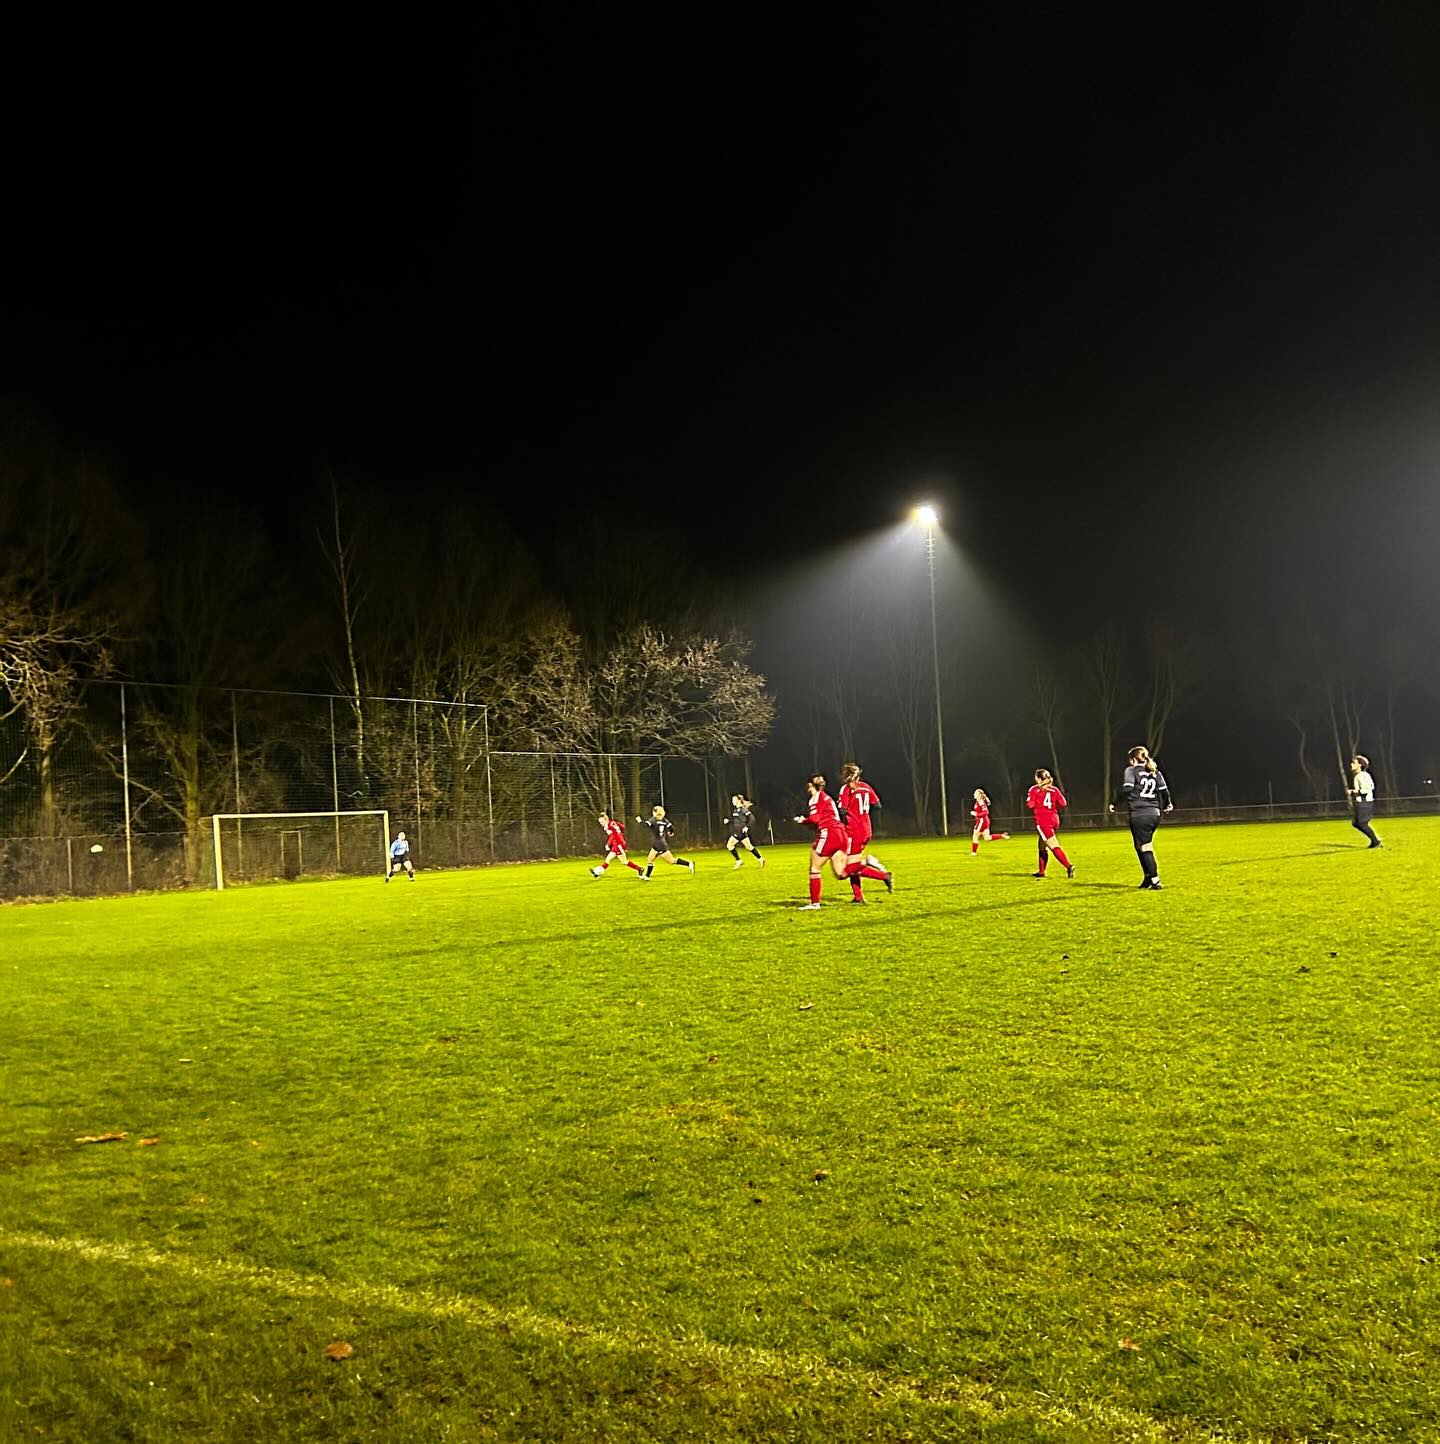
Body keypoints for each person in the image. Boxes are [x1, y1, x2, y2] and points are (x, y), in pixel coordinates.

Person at [796, 773, 890, 909]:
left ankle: (815, 904)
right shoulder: (828, 797)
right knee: (841, 873)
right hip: (843, 834)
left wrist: (803, 820)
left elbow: (816, 819)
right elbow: (877, 805)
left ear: (810, 785)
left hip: (831, 833)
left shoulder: (816, 797)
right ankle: (865, 865)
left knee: (814, 869)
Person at [1110, 745, 1173, 889]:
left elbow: (1127, 789)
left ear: (1133, 759)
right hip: (1154, 813)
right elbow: (1164, 791)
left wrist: (1114, 803)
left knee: (1145, 846)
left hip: (1139, 814)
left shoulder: (1131, 770)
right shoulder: (1155, 772)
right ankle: (1148, 878)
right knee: (1139, 846)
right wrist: (1168, 804)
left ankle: (1155, 880)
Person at [837, 762, 891, 902]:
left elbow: (842, 811)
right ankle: (858, 897)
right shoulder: (866, 786)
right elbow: (877, 805)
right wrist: (863, 812)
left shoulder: (846, 788)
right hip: (866, 829)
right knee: (853, 863)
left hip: (853, 831)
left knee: (848, 868)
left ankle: (883, 875)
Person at [1025, 769, 1074, 879]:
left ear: (1039, 779)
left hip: (1043, 821)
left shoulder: (1034, 789)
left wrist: (1036, 802)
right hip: (1054, 819)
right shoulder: (1054, 789)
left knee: (1053, 845)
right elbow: (1063, 803)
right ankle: (1041, 872)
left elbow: (1030, 805)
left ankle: (1068, 866)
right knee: (1041, 845)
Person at [637, 805, 696, 879]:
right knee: (650, 859)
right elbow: (671, 827)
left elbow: (646, 825)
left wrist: (640, 821)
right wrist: (671, 832)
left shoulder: (653, 820)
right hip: (659, 843)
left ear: (654, 812)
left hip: (659, 844)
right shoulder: (664, 820)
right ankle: (647, 876)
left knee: (671, 861)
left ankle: (689, 864)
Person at [590, 811, 645, 877]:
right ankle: (596, 873)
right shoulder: (613, 822)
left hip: (618, 844)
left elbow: (613, 836)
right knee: (607, 859)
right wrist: (620, 833)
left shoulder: (609, 826)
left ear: (606, 820)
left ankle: (639, 869)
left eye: (602, 822)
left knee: (624, 861)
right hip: (618, 844)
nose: (601, 824)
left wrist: (608, 844)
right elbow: (622, 827)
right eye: (600, 822)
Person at [1348, 755, 1382, 848]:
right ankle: (1375, 841)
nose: (1351, 764)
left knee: (1361, 823)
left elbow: (1366, 790)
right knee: (1356, 823)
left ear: (1359, 765)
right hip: (1364, 802)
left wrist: (1353, 791)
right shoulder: (1362, 775)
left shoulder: (1361, 776)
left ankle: (1376, 841)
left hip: (1365, 802)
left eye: (1354, 763)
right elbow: (1371, 786)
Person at [722, 795, 766, 869]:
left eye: (734, 800)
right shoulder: (736, 810)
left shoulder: (743, 810)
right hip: (739, 831)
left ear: (738, 800)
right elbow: (737, 820)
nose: (732, 801)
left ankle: (739, 861)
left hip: (740, 831)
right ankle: (761, 859)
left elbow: (752, 818)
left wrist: (747, 827)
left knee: (729, 845)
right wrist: (728, 821)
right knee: (749, 846)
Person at [969, 788, 1010, 855]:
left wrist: (976, 814)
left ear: (979, 795)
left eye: (975, 793)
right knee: (987, 838)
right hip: (985, 821)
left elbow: (986, 812)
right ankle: (1002, 835)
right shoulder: (979, 801)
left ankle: (974, 853)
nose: (974, 794)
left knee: (975, 836)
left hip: (982, 821)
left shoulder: (980, 802)